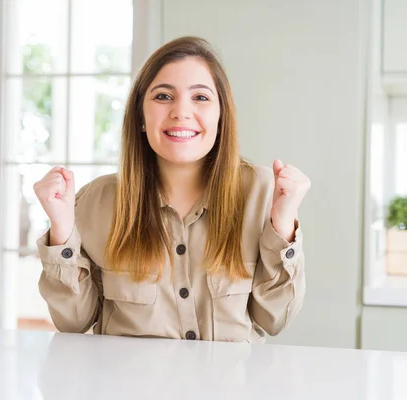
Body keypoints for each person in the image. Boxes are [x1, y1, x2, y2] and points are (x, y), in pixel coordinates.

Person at [33, 36, 310, 343]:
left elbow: (274, 319)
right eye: (163, 96)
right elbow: (73, 322)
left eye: (201, 98)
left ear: (221, 115)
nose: (181, 112)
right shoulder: (96, 201)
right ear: (140, 115)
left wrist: (283, 224)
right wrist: (60, 231)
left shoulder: (262, 192)